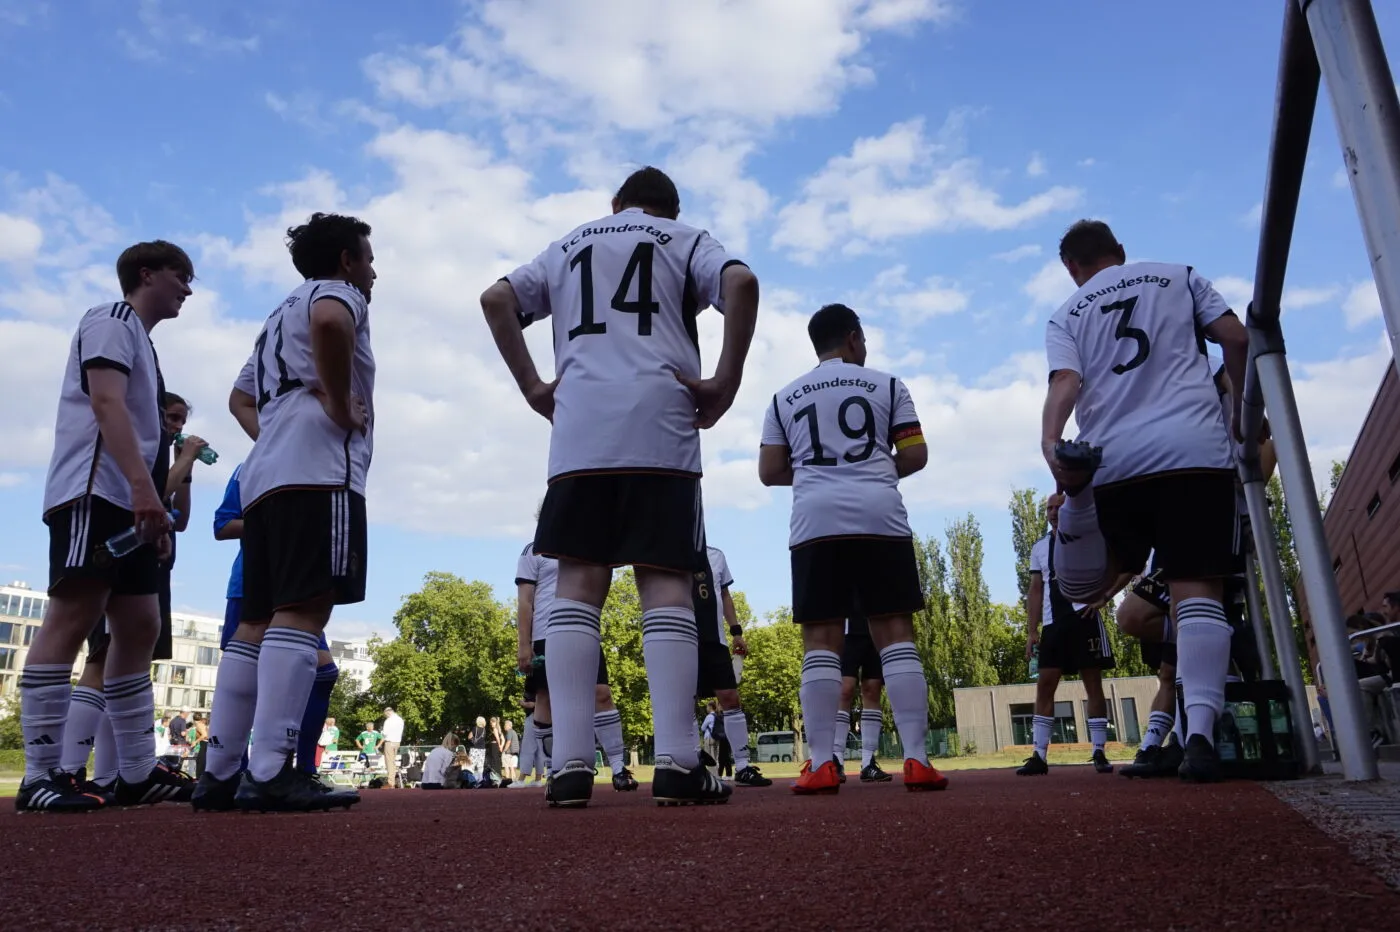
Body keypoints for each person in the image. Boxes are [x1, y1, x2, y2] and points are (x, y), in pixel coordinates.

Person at [484, 166, 758, 808]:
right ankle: (677, 762)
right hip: (660, 424)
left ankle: (571, 767)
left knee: (577, 585)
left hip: (579, 431)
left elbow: (496, 300)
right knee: (663, 581)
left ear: (615, 205)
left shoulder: (568, 243)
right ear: (671, 208)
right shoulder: (684, 238)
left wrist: (532, 386)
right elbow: (741, 282)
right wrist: (726, 379)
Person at [1041, 219, 1251, 783]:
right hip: (1194, 450)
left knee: (1087, 586)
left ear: (1071, 268)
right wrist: (1241, 417)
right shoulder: (1178, 275)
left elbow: (1066, 380)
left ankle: (1079, 501)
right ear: (1122, 253)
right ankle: (1201, 738)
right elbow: (1236, 339)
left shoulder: (1067, 312)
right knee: (1197, 591)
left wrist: (1050, 441)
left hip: (1118, 457)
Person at [17, 241, 199, 812]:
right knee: (74, 613)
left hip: (132, 501)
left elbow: (141, 428)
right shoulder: (112, 319)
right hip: (94, 492)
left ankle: (137, 772)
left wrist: (156, 507)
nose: (187, 289)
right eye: (180, 276)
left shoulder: (143, 343)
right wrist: (144, 490)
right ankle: (41, 772)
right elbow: (105, 402)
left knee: (141, 623)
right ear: (146, 274)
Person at [211, 212, 375, 813]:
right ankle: (274, 768)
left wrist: (275, 432)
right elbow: (332, 321)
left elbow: (239, 398)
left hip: (267, 477)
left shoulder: (275, 316)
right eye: (368, 257)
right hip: (318, 473)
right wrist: (334, 404)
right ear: (346, 260)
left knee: (254, 621)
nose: (374, 270)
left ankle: (221, 771)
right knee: (304, 610)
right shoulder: (338, 294)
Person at [759, 303, 947, 794]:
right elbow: (916, 454)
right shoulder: (888, 385)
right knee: (896, 635)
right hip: (879, 517)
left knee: (820, 644)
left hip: (815, 522)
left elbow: (769, 470)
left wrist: (819, 475)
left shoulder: (783, 397)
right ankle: (917, 759)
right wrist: (875, 472)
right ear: (854, 337)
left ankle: (822, 763)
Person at [193, 461, 342, 810]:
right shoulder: (254, 465)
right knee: (254, 670)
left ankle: (294, 770)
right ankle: (240, 772)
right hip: (254, 581)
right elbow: (223, 524)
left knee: (323, 672)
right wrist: (278, 524)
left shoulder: (304, 457)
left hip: (295, 579)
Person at [516, 538, 639, 793]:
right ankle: (553, 771)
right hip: (544, 636)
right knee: (546, 699)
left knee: (601, 693)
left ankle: (618, 768)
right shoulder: (534, 550)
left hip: (583, 628)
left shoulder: (584, 542)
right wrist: (524, 645)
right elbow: (525, 601)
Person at [1017, 492, 1117, 776]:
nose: (1052, 512)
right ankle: (1038, 755)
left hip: (1083, 617)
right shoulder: (1039, 548)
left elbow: (1113, 567)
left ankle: (1099, 750)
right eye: (1048, 508)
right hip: (1053, 624)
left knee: (1093, 685)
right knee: (1045, 685)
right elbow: (1036, 590)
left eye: (1057, 507)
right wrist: (1031, 631)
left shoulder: (1089, 538)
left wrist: (1104, 598)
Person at [693, 543, 771, 786]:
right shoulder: (669, 550)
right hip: (682, 639)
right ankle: (689, 761)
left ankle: (744, 766)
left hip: (715, 640)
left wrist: (736, 631)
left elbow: (725, 595)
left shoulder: (716, 555)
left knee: (730, 698)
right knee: (683, 700)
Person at [831, 615, 891, 783]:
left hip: (875, 625)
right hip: (847, 629)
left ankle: (868, 762)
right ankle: (836, 760)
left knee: (873, 688)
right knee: (845, 689)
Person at [382, 707, 405, 788]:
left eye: (385, 714)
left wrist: (381, 732)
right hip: (397, 742)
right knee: (393, 762)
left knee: (389, 762)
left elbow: (385, 733)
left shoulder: (388, 721)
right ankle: (392, 780)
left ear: (387, 712)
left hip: (389, 742)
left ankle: (391, 782)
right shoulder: (400, 720)